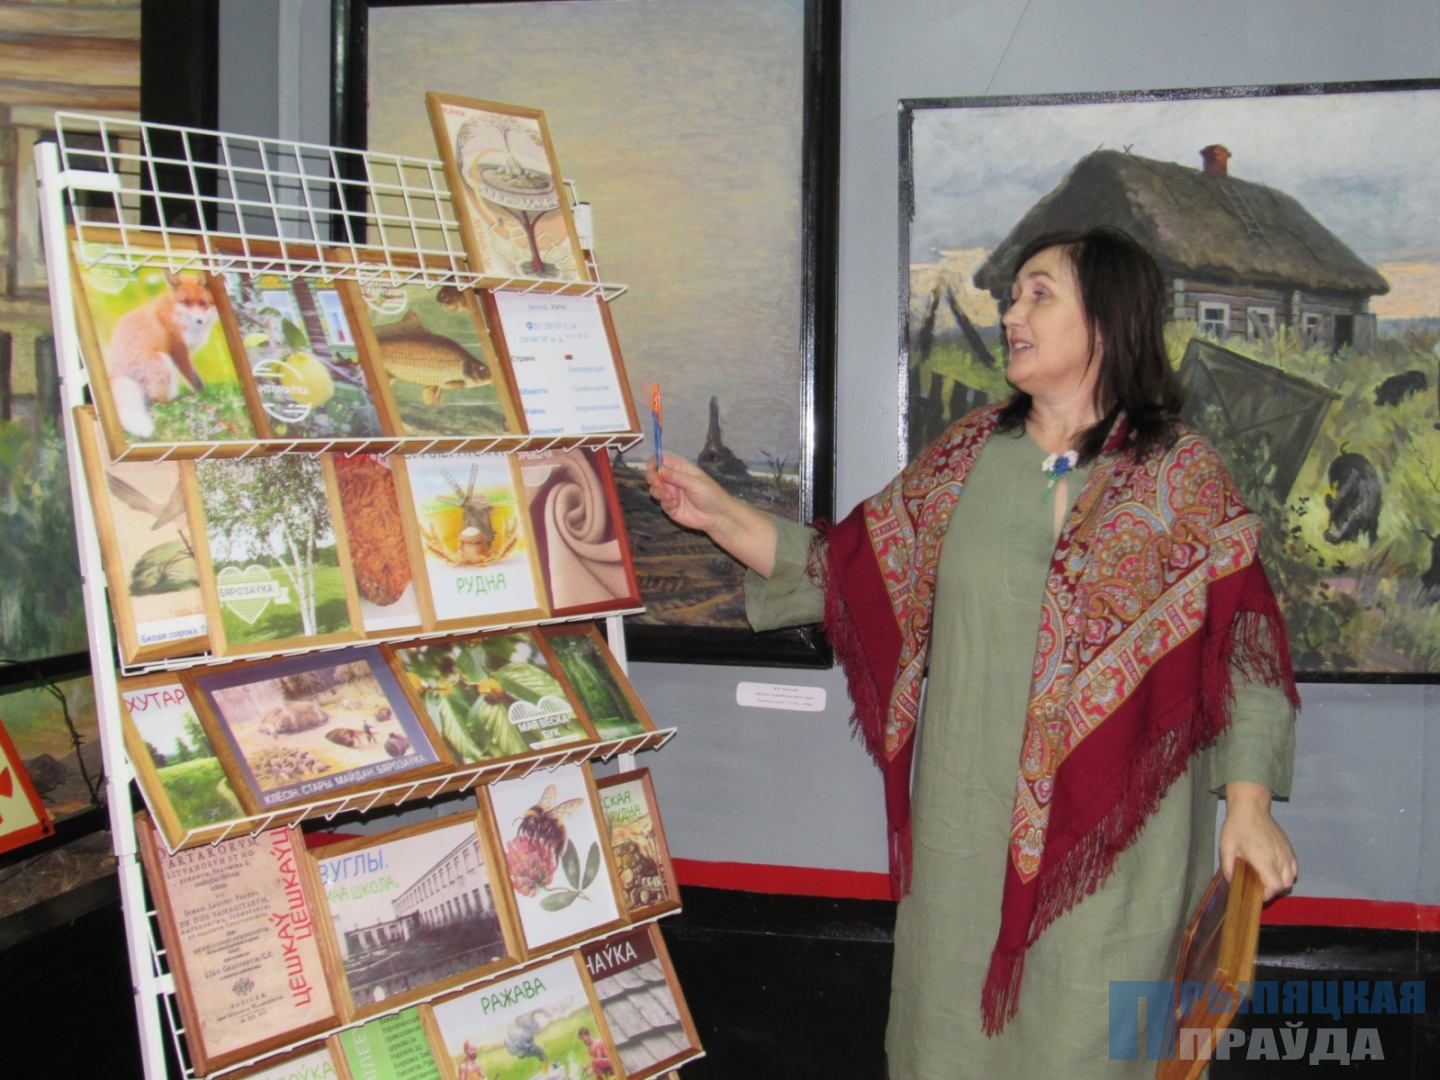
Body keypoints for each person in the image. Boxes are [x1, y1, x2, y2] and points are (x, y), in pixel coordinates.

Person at [646, 226, 1298, 1077]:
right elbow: (841, 571)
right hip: (964, 849)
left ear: (1108, 319)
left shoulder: (1183, 479)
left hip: (1111, 864)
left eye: (1038, 295)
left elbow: (1246, 655)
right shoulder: (964, 460)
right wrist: (717, 513)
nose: (1011, 315)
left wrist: (1249, 806)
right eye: (1011, 297)